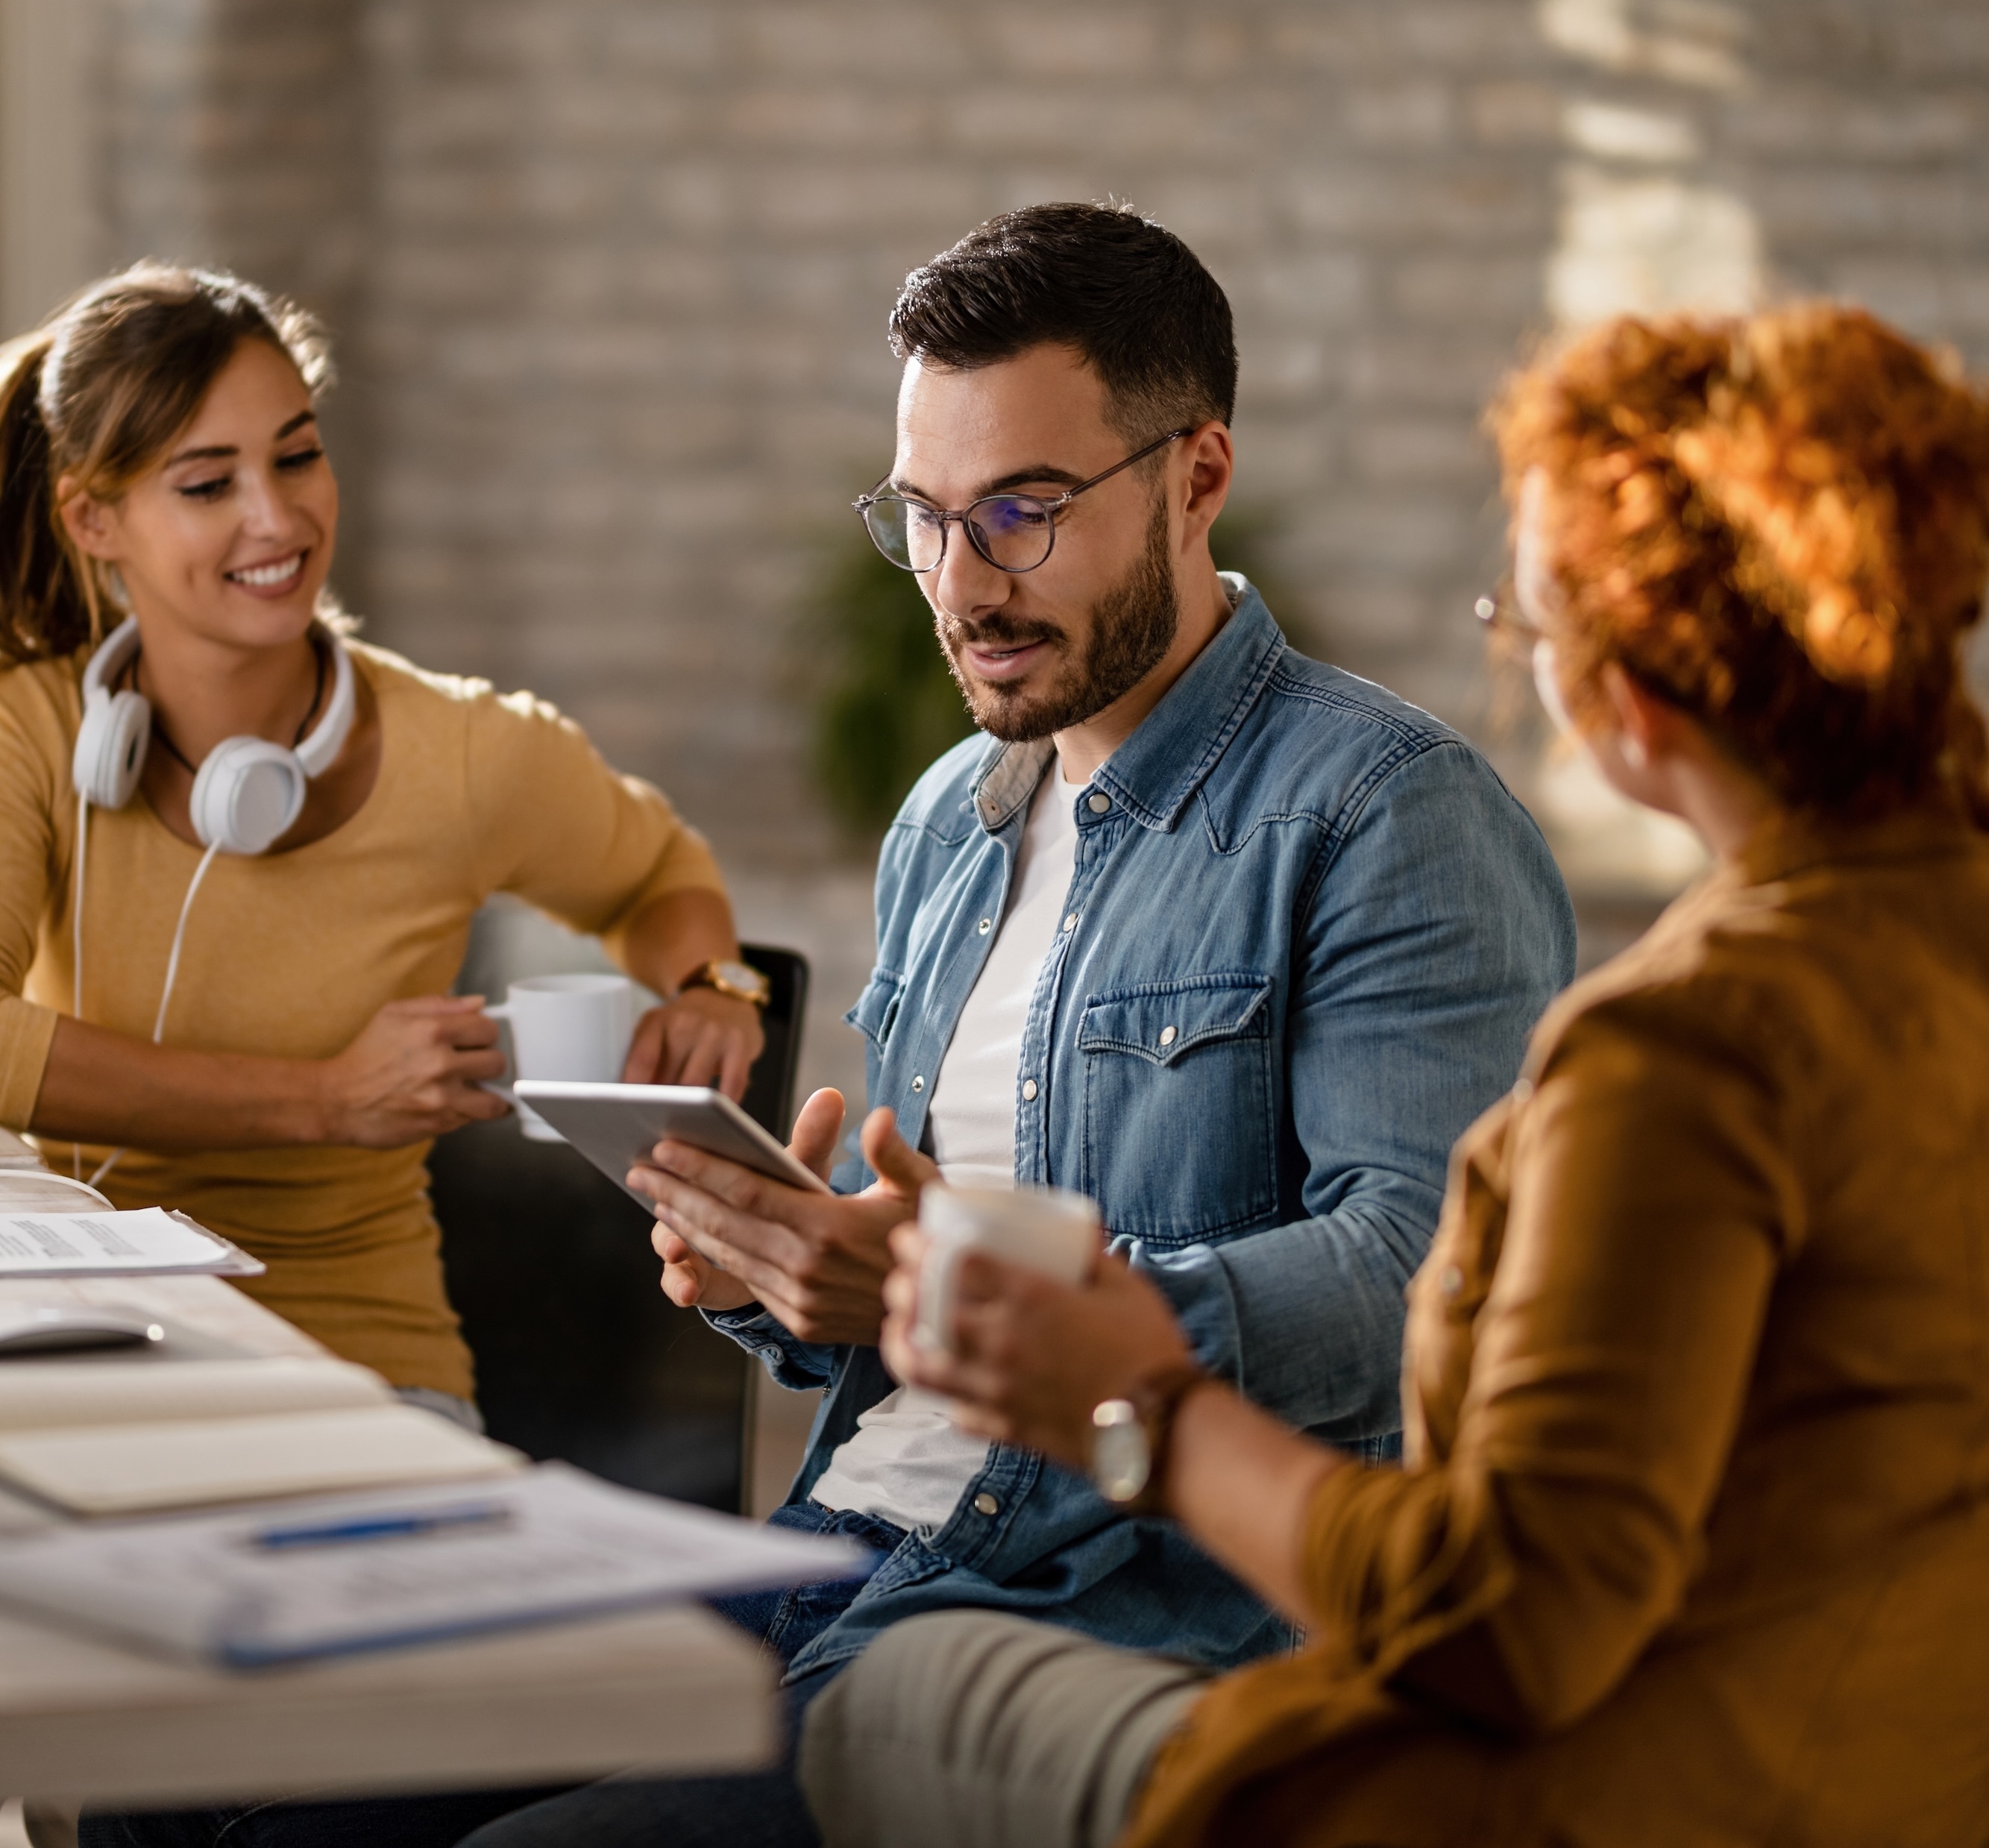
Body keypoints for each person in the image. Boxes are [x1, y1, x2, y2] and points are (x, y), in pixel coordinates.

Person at [404, 202, 1572, 1848]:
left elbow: (1431, 1275)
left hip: (1099, 1610)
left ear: (1196, 474)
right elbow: (901, 1288)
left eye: (1020, 511)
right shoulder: (949, 816)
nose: (961, 585)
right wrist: (786, 1273)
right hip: (830, 1550)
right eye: (926, 518)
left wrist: (1010, 1296)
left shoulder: (1382, 816)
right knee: (237, 1786)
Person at [799, 301, 1989, 1848]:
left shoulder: (1681, 1050)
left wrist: (1133, 1390)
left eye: (1528, 620)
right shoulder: (1903, 964)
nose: (963, 575)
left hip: (1584, 1789)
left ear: (1623, 697)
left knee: (880, 1701)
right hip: (1891, 1761)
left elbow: (1506, 1616)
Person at [0, 263, 765, 1419]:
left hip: (370, 1365)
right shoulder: (36, 726)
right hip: (99, 1339)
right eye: (209, 482)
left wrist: (715, 985)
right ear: (93, 518)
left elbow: (659, 872)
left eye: (297, 454)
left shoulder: (469, 752)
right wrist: (323, 1098)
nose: (278, 517)